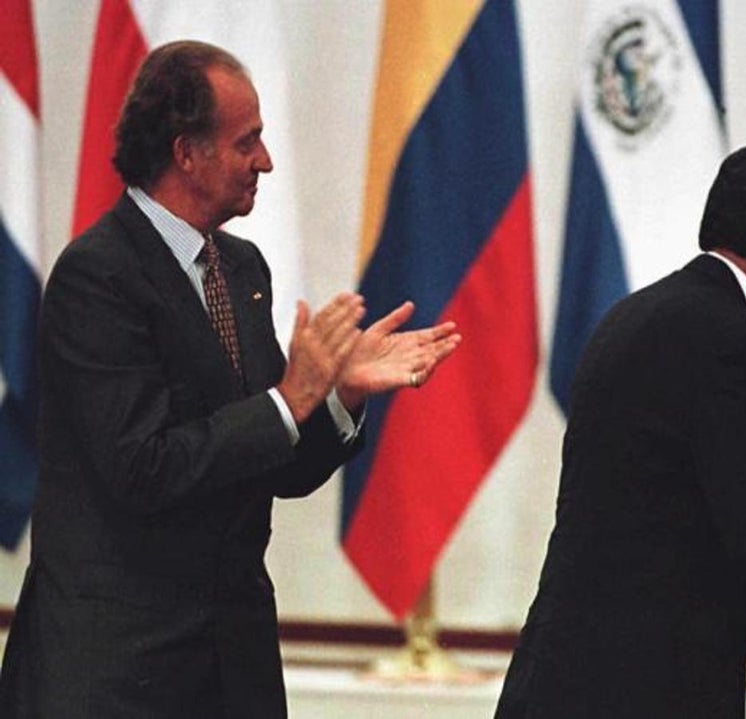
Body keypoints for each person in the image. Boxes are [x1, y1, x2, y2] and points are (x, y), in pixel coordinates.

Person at [0, 41, 460, 718]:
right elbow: (143, 467)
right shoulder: (96, 276)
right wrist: (288, 400)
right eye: (248, 142)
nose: (265, 161)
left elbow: (274, 463)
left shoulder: (241, 270)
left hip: (231, 664)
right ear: (187, 152)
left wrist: (338, 396)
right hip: (120, 672)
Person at [495, 140, 746, 718]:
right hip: (651, 683)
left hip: (564, 669)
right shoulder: (734, 342)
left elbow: (676, 489)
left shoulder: (639, 312)